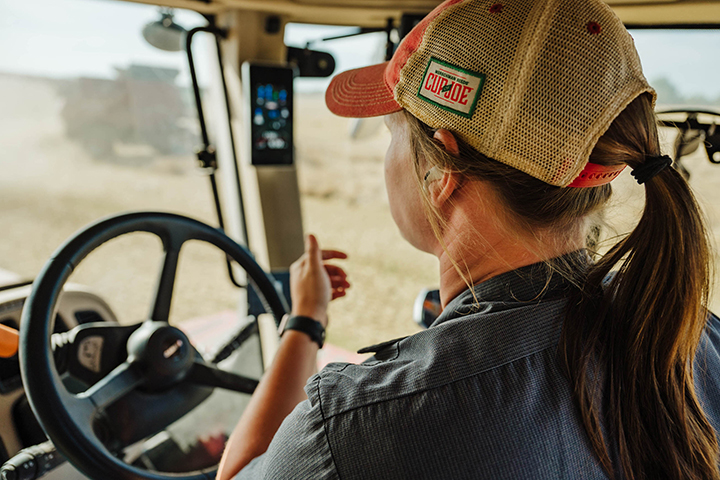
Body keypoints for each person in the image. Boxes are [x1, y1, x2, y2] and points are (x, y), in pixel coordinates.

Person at [218, 0, 720, 478]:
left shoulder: (359, 428)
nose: (387, 156)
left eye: (392, 133)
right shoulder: (696, 338)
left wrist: (304, 321)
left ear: (439, 169)